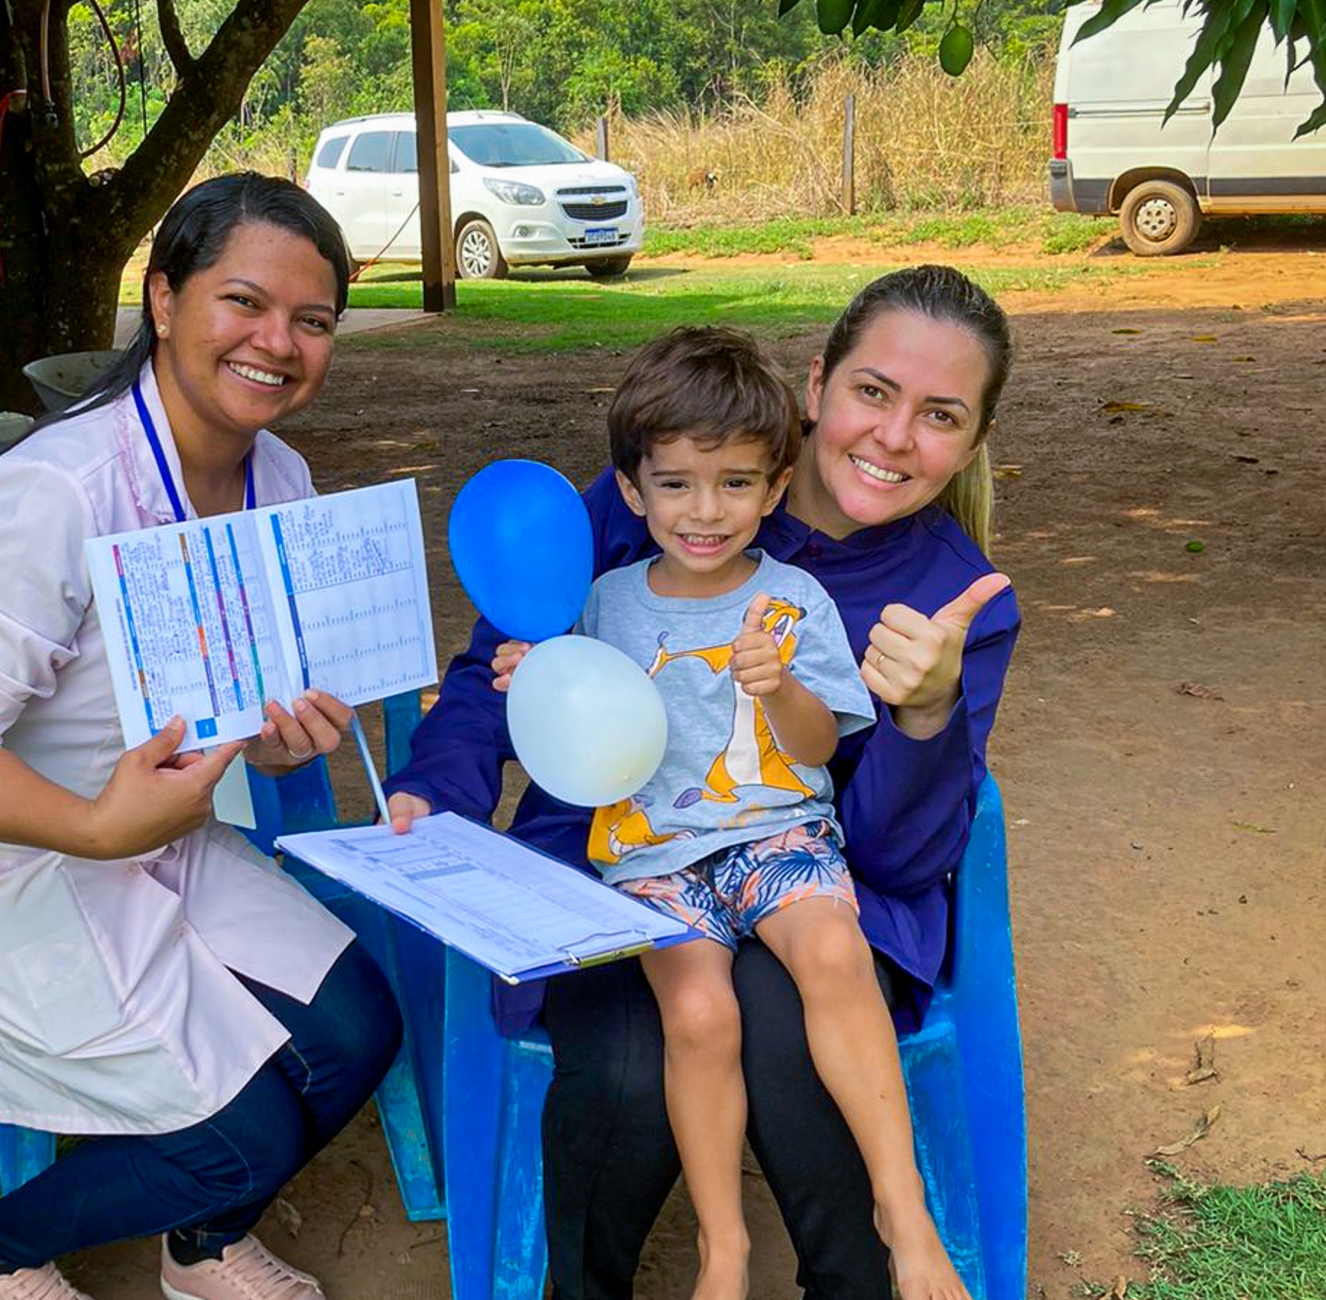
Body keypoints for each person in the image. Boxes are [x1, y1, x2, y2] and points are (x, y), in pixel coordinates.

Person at [385, 265, 1020, 1300]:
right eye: (872, 391)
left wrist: (921, 716)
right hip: (629, 860)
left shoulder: (957, 596)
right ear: (817, 387)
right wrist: (438, 787)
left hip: (816, 876)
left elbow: (901, 854)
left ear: (971, 439)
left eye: (939, 414)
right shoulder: (674, 485)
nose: (895, 437)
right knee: (631, 1071)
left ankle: (867, 1269)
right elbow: (504, 660)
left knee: (784, 1033)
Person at [0, 173, 402, 1300]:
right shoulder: (52, 493)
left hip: (153, 833)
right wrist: (91, 825)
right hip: (11, 866)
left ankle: (201, 1249)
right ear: (162, 299)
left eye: (312, 321)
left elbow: (234, 702)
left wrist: (274, 743)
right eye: (244, 303)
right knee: (243, 1134)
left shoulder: (281, 475)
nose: (279, 344)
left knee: (356, 1029)